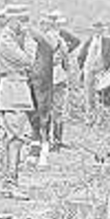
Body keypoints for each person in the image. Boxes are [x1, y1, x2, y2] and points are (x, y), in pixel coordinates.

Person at [0, 3, 37, 198]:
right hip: (13, 89)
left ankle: (8, 182)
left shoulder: (9, 39)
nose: (24, 25)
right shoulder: (7, 41)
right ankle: (10, 184)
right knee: (15, 138)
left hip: (15, 87)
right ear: (13, 21)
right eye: (22, 21)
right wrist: (29, 39)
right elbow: (28, 60)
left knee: (12, 137)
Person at [42, 9, 71, 149]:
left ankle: (51, 140)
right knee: (54, 110)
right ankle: (53, 140)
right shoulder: (54, 38)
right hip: (55, 77)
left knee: (53, 109)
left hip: (54, 77)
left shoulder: (49, 37)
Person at [76, 19, 110, 118]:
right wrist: (82, 68)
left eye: (100, 29)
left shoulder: (106, 40)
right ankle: (89, 115)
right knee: (89, 93)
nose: (98, 31)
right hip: (89, 69)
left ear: (102, 30)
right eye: (96, 29)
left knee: (101, 92)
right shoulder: (89, 41)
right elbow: (81, 55)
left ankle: (100, 115)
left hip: (101, 70)